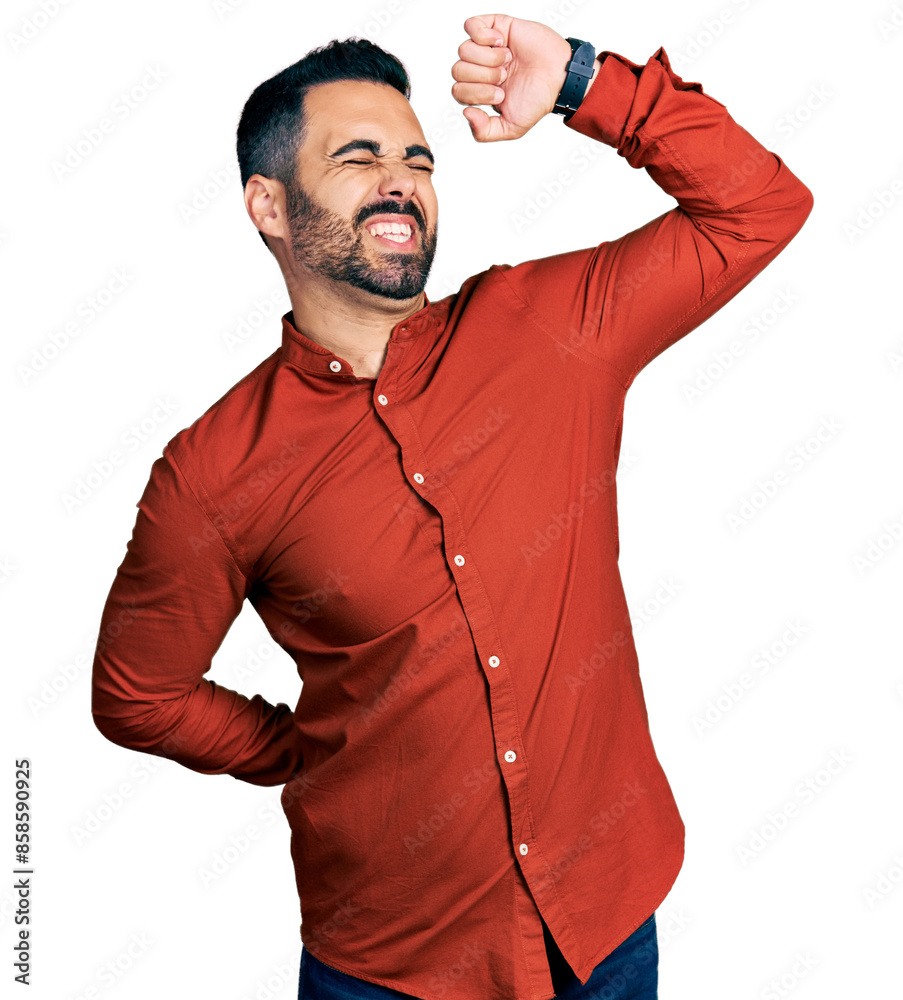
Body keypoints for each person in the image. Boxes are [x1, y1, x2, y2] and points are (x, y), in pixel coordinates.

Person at [91, 13, 813, 1000]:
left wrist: (582, 82)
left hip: (604, 930)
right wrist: (306, 748)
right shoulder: (212, 473)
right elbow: (140, 691)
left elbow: (758, 205)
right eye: (359, 157)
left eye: (416, 159)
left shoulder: (550, 328)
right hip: (390, 969)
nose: (401, 178)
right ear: (268, 204)